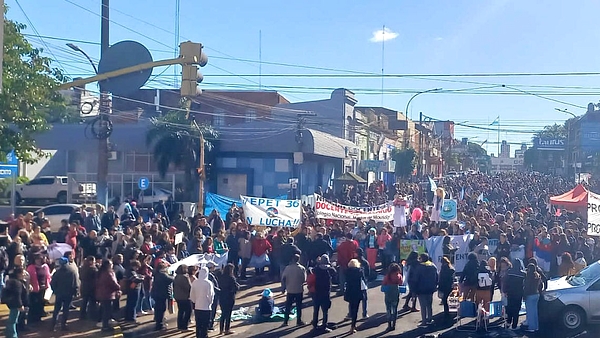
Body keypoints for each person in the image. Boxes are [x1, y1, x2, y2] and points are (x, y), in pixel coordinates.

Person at [50, 257, 78, 331]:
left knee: (56, 309)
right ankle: (63, 325)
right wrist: (75, 292)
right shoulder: (72, 272)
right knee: (66, 309)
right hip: (68, 294)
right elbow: (75, 283)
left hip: (59, 293)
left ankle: (53, 325)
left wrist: (55, 291)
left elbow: (52, 283)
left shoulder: (57, 272)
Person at [309, 254, 335, 333]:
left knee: (316, 309)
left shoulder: (316, 269)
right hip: (326, 292)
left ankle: (315, 324)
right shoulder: (330, 269)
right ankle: (324, 325)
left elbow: (310, 269)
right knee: (325, 311)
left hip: (317, 292)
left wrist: (318, 263)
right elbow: (335, 272)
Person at [96, 259, 121, 333]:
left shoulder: (101, 272)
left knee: (104, 309)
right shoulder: (108, 273)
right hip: (108, 294)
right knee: (107, 311)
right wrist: (119, 287)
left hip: (102, 293)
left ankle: (105, 325)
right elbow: (113, 283)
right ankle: (105, 326)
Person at [281, 253, 307, 327]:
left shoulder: (287, 268)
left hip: (290, 289)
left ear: (292, 259)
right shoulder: (302, 268)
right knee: (299, 306)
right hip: (299, 289)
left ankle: (286, 321)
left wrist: (283, 288)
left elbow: (283, 278)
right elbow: (304, 279)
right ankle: (299, 321)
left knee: (288, 306)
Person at [190, 266, 215, 338]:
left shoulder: (195, 282)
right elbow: (211, 295)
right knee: (205, 325)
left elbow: (192, 294)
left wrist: (195, 301)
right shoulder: (208, 283)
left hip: (197, 306)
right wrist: (210, 303)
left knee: (198, 324)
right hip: (206, 307)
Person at [3, 267, 28, 338]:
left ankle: (9, 334)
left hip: (12, 303)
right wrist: (20, 305)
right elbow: (17, 295)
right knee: (13, 320)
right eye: (23, 273)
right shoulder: (17, 283)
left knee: (13, 319)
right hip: (16, 304)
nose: (24, 274)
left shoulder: (14, 281)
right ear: (18, 274)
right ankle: (12, 335)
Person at [414, 253, 438, 326]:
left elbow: (416, 279)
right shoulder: (433, 266)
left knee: (423, 306)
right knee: (429, 305)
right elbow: (436, 277)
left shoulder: (419, 267)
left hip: (421, 289)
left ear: (422, 259)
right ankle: (430, 319)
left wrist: (415, 289)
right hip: (430, 289)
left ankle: (424, 321)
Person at [26, 254, 50, 323]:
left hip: (43, 289)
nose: (38, 260)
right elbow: (28, 278)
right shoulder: (31, 267)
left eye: (39, 259)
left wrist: (47, 285)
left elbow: (48, 277)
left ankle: (38, 319)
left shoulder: (45, 266)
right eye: (36, 259)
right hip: (34, 289)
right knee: (33, 305)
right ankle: (31, 320)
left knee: (41, 304)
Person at [151, 261, 174, 331]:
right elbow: (171, 279)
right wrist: (172, 274)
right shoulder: (163, 275)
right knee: (161, 309)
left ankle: (158, 323)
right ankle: (159, 325)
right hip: (162, 294)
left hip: (156, 293)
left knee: (158, 309)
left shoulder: (156, 273)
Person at [218, 263, 239, 335]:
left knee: (223, 313)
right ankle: (227, 329)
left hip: (222, 296)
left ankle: (221, 329)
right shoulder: (231, 278)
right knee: (228, 314)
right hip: (230, 297)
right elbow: (235, 287)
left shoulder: (221, 277)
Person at [344, 259, 364, 334]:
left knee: (351, 307)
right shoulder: (359, 271)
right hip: (358, 292)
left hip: (350, 292)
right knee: (356, 309)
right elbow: (363, 279)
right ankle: (353, 326)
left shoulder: (347, 272)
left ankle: (351, 316)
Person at [381, 263, 403, 331]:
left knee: (388, 309)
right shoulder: (399, 276)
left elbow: (383, 284)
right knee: (395, 309)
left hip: (388, 295)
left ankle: (389, 324)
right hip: (395, 294)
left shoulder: (387, 276)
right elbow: (401, 283)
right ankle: (394, 324)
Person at [505, 258, 525, 330]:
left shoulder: (509, 272)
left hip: (510, 293)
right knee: (516, 310)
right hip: (519, 294)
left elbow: (506, 282)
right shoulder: (523, 274)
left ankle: (508, 323)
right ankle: (514, 325)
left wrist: (505, 291)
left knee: (510, 308)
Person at [523, 263, 542, 333]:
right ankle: (536, 326)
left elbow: (527, 287)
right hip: (536, 294)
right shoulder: (537, 276)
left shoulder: (529, 276)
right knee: (534, 312)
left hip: (530, 295)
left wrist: (524, 296)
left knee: (530, 312)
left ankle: (531, 327)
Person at [173, 264, 192, 331]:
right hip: (185, 297)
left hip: (178, 297)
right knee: (188, 311)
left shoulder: (176, 277)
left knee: (181, 311)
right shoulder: (185, 277)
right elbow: (188, 287)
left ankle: (180, 326)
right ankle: (184, 326)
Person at [79, 256, 98, 320]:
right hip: (91, 288)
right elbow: (96, 277)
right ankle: (92, 316)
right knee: (92, 302)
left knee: (84, 301)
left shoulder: (82, 268)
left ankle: (82, 315)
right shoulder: (93, 269)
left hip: (84, 286)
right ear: (91, 261)